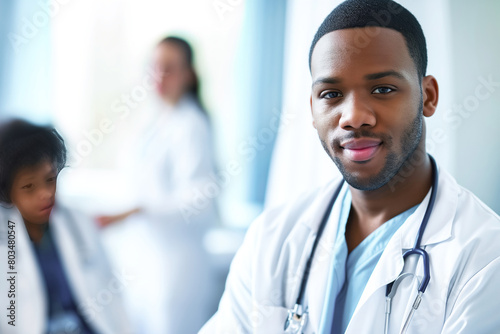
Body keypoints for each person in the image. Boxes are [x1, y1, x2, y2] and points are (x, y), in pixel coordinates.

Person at [200, 0, 500, 333]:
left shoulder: (486, 258)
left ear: (427, 96)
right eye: (331, 93)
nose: (354, 116)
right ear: (312, 110)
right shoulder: (272, 239)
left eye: (383, 89)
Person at [97, 36, 218, 334]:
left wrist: (137, 211)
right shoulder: (156, 121)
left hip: (177, 267)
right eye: (154, 67)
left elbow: (199, 201)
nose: (159, 76)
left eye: (169, 68)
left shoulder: (192, 125)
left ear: (188, 74)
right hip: (146, 261)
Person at [0, 119, 132, 334]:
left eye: (50, 179)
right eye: (30, 185)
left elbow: (114, 300)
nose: (46, 194)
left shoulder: (77, 221)